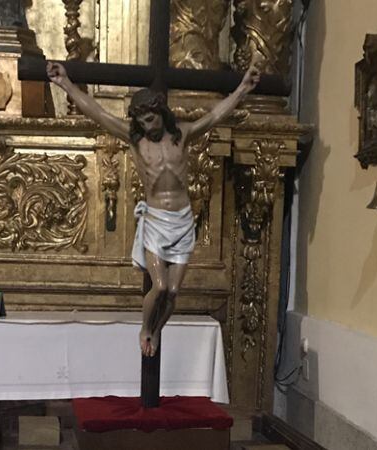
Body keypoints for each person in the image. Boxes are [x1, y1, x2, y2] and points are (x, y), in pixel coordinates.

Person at [47, 61, 261, 357]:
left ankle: (158, 330)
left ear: (161, 112)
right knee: (159, 287)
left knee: (172, 292)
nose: (148, 126)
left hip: (182, 221)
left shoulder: (182, 135)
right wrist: (66, 84)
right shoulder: (135, 140)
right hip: (157, 220)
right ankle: (145, 328)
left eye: (151, 119)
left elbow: (214, 117)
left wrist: (242, 89)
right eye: (143, 122)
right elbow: (98, 113)